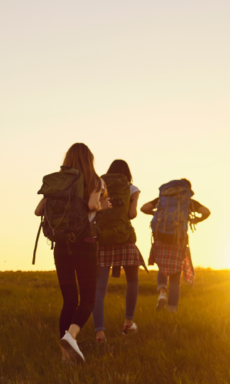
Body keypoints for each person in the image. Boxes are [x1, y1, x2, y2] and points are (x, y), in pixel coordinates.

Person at [35, 143, 109, 365]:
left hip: (61, 247)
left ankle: (65, 357)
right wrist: (102, 206)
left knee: (69, 301)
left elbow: (38, 211)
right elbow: (92, 204)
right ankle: (72, 335)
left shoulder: (58, 182)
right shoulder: (96, 181)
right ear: (89, 160)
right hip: (85, 245)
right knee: (87, 298)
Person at [92, 160, 145, 344]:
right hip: (124, 239)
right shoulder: (132, 188)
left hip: (104, 239)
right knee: (132, 280)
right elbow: (131, 214)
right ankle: (128, 324)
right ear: (126, 173)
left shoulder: (99, 185)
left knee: (99, 289)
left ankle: (100, 334)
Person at [141, 178, 211, 312]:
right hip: (177, 240)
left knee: (162, 267)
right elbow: (206, 212)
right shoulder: (188, 201)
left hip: (160, 237)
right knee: (175, 278)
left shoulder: (163, 199)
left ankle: (162, 293)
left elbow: (144, 208)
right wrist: (196, 219)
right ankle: (172, 311)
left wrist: (156, 212)